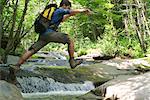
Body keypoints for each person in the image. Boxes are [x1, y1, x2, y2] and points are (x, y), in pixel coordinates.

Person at [9, 0, 91, 83]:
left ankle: (17, 65)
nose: (69, 9)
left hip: (43, 35)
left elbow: (63, 18)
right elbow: (69, 11)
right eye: (68, 7)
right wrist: (83, 10)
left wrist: (71, 14)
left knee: (32, 50)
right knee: (70, 40)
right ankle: (72, 61)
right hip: (50, 34)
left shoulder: (54, 13)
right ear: (64, 5)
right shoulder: (60, 10)